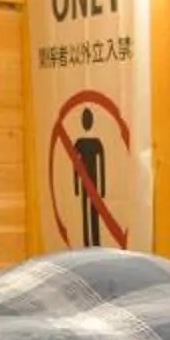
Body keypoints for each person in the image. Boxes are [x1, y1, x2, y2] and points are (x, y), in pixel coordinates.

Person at [71, 107, 110, 249]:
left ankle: (91, 243)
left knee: (89, 212)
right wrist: (103, 188)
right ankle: (92, 243)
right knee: (92, 213)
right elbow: (99, 166)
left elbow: (76, 167)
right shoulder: (94, 143)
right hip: (91, 183)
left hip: (87, 183)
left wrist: (76, 186)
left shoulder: (81, 143)